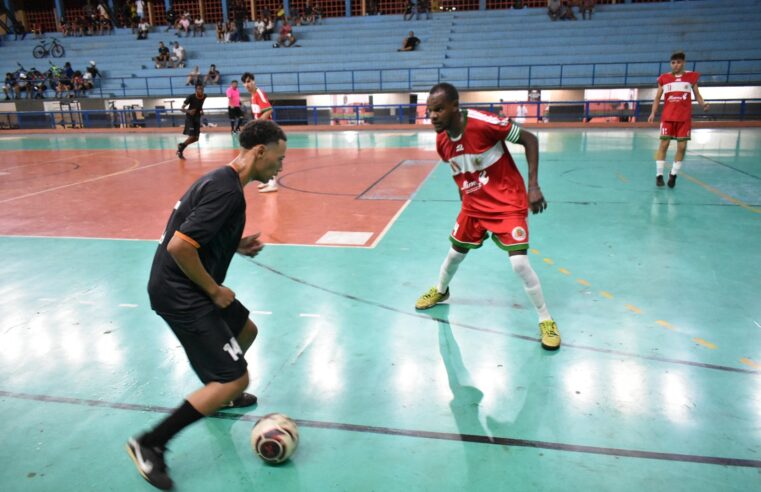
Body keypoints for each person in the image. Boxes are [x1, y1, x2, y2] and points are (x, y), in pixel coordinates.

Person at [126, 119, 287, 490]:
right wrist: (214, 291)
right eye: (279, 158)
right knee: (235, 377)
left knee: (246, 329)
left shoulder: (222, 180)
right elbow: (180, 246)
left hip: (186, 283)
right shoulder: (227, 191)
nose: (281, 166)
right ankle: (149, 442)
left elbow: (196, 232)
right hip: (180, 291)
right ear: (259, 151)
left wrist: (235, 244)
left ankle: (222, 395)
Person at [415, 83, 561, 351]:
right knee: (454, 255)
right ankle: (441, 290)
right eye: (429, 111)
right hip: (474, 205)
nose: (432, 116)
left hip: (507, 200)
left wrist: (533, 186)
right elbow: (459, 173)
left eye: (438, 110)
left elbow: (530, 139)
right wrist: (466, 203)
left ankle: (546, 320)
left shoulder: (483, 123)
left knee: (519, 264)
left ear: (455, 107)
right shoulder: (442, 141)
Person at [647, 51, 709, 188]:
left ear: (684, 63)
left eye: (679, 62)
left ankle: (673, 174)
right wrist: (653, 112)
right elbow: (657, 98)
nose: (676, 65)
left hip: (684, 118)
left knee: (682, 147)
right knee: (664, 145)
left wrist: (703, 104)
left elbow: (697, 94)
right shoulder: (664, 78)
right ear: (671, 64)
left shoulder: (691, 77)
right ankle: (659, 175)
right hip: (668, 117)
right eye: (673, 62)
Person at [241, 72, 278, 193]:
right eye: (245, 82)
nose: (247, 84)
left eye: (249, 81)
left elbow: (268, 110)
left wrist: (257, 125)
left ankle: (272, 184)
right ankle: (268, 181)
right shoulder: (252, 96)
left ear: (253, 81)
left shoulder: (259, 93)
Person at [176, 83, 206, 159]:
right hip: (190, 118)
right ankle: (181, 148)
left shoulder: (204, 96)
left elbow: (200, 105)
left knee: (196, 138)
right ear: (196, 89)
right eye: (199, 88)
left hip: (197, 118)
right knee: (192, 136)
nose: (201, 90)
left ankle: (181, 145)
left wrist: (201, 110)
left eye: (202, 88)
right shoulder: (191, 97)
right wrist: (189, 111)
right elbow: (181, 108)